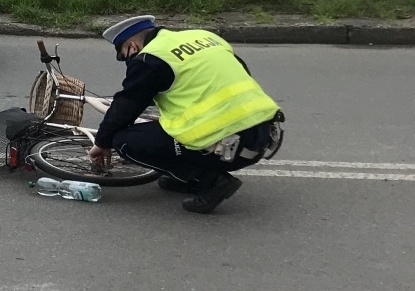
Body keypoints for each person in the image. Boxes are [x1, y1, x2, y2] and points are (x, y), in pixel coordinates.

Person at [90, 15, 282, 214]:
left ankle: (212, 181)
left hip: (228, 147)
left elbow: (127, 105)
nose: (127, 60)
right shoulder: (204, 37)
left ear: (132, 46)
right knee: (165, 127)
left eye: (123, 55)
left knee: (123, 140)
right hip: (262, 135)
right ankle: (191, 178)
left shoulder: (151, 58)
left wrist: (103, 142)